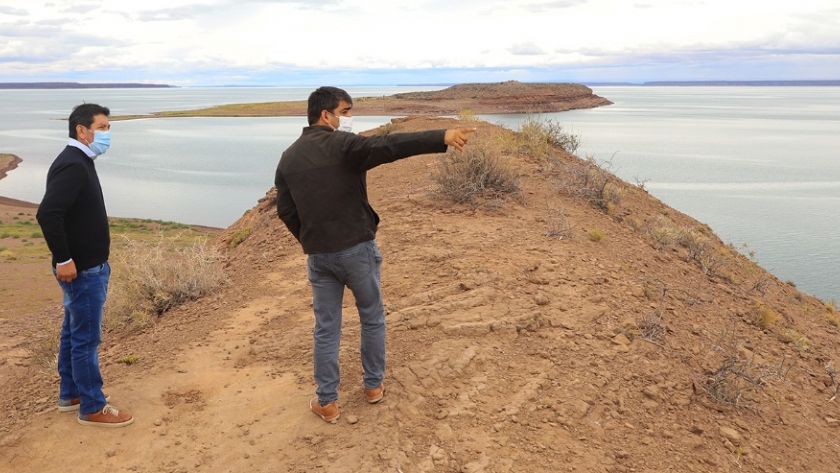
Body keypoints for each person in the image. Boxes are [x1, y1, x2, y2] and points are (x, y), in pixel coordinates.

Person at [275, 86, 475, 423]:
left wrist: (311, 240)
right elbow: (390, 146)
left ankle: (326, 402)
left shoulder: (289, 157)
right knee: (371, 316)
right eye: (347, 111)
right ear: (327, 115)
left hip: (319, 257)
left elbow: (286, 211)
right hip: (356, 250)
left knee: (326, 328)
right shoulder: (345, 145)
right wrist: (442, 136)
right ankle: (372, 387)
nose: (350, 118)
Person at [36, 103, 134, 427]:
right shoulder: (73, 165)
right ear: (82, 129)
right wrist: (64, 259)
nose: (107, 134)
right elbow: (48, 213)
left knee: (73, 332)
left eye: (108, 128)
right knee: (86, 339)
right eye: (103, 127)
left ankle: (71, 394)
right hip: (82, 270)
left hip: (85, 268)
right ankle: (92, 406)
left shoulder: (79, 160)